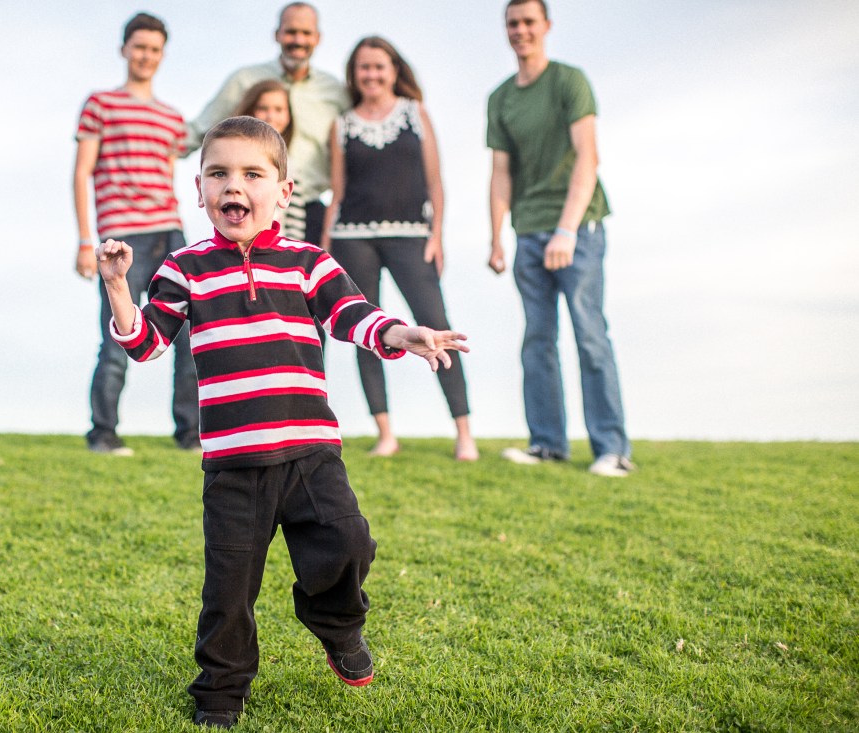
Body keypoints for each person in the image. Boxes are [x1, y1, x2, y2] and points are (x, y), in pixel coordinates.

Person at [95, 116, 469, 728]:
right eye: (218, 174)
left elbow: (354, 315)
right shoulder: (183, 268)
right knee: (228, 592)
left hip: (311, 455)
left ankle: (337, 627)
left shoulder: (307, 263)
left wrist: (403, 331)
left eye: (251, 174)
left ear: (284, 190)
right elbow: (145, 343)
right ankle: (220, 691)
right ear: (199, 190)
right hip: (234, 466)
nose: (232, 186)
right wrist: (118, 289)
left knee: (348, 542)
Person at [486, 0, 633, 477]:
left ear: (546, 26)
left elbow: (588, 157)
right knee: (537, 340)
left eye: (529, 21)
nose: (521, 30)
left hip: (579, 228)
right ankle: (547, 443)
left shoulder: (569, 81)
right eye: (513, 23)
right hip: (527, 232)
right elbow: (501, 174)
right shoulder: (501, 97)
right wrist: (496, 238)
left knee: (590, 336)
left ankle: (612, 450)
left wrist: (567, 229)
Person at [321, 37, 478, 462]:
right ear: (354, 75)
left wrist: (437, 234)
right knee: (366, 330)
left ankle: (464, 433)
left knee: (436, 324)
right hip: (353, 238)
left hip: (412, 235)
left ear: (394, 70)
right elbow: (337, 192)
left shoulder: (415, 113)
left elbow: (435, 181)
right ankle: (385, 431)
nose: (371, 75)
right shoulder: (343, 124)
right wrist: (325, 249)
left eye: (379, 67)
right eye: (363, 68)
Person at [72, 12, 199, 455]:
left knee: (188, 336)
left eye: (154, 49)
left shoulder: (172, 118)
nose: (146, 55)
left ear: (162, 55)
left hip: (171, 232)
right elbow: (83, 172)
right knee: (116, 335)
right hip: (121, 236)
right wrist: (86, 241)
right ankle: (103, 433)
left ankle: (189, 433)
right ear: (124, 48)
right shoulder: (100, 104)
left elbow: (168, 176)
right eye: (139, 46)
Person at [186, 2, 348, 247]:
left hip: (311, 208)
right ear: (277, 35)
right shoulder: (246, 80)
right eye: (291, 32)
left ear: (318, 38)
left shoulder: (334, 91)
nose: (298, 40)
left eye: (306, 33)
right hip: (253, 204)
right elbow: (200, 129)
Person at [233, 80, 309, 239]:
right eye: (263, 108)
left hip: (275, 250)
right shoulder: (234, 158)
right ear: (250, 110)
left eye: (279, 109)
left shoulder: (290, 164)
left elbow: (295, 218)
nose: (271, 116)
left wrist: (292, 250)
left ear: (289, 115)